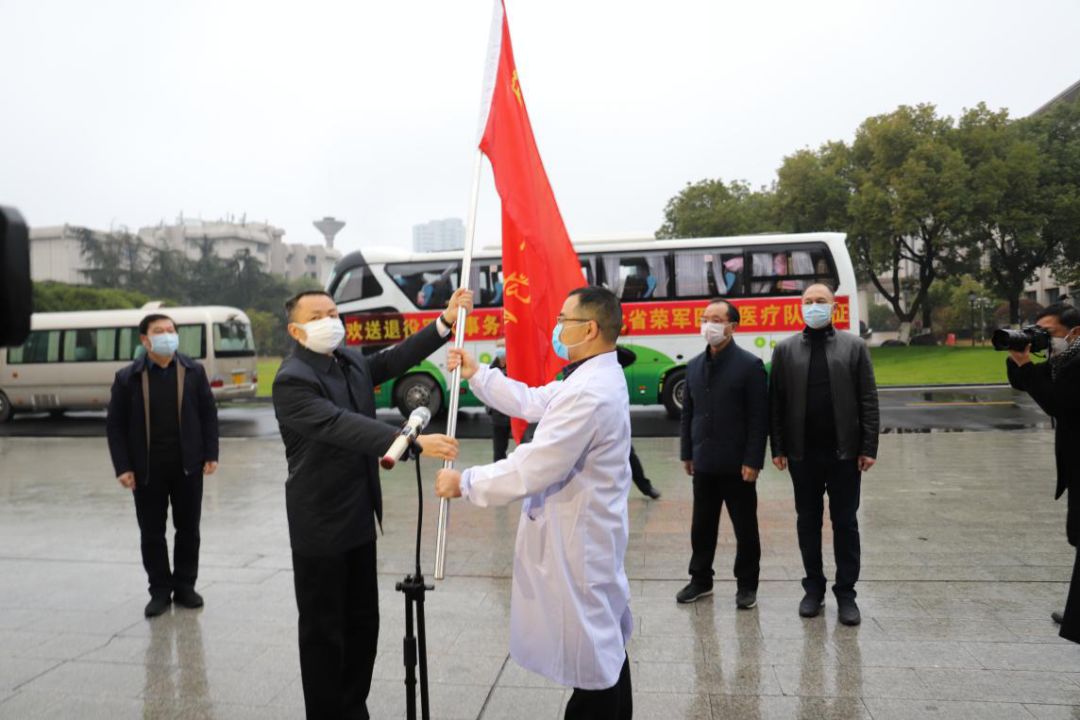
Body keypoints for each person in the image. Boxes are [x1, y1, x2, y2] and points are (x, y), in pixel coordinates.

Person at [436, 286, 633, 720]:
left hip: (580, 542)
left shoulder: (589, 391)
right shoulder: (589, 377)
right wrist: (478, 374)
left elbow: (534, 466)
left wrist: (465, 482)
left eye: (564, 320)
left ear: (590, 329)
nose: (557, 328)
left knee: (594, 658)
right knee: (603, 645)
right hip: (586, 533)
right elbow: (533, 401)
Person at [272, 288, 470, 719]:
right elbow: (337, 424)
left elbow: (393, 360)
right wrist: (409, 440)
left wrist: (444, 322)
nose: (330, 321)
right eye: (317, 316)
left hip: (359, 517)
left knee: (363, 625)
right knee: (325, 634)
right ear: (296, 330)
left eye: (333, 313)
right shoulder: (292, 379)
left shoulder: (348, 361)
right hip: (319, 525)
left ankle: (353, 707)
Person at [769, 283, 879, 626]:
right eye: (808, 301)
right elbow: (776, 403)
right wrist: (778, 447)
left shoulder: (853, 346)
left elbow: (868, 399)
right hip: (802, 455)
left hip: (845, 454)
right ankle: (813, 589)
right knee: (808, 522)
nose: (814, 306)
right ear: (800, 306)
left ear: (834, 307)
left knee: (845, 523)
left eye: (820, 301)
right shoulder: (785, 350)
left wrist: (868, 447)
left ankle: (846, 593)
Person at [106, 313, 219, 619]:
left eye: (171, 330)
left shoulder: (193, 371)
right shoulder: (128, 377)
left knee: (188, 530)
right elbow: (115, 426)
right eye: (160, 331)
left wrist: (211, 453)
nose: (168, 335)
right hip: (147, 470)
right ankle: (159, 590)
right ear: (145, 340)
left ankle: (185, 586)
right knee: (152, 533)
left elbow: (208, 413)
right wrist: (123, 467)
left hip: (188, 467)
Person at [676, 299, 766, 609]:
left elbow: (758, 418)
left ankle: (747, 585)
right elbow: (688, 413)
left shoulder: (750, 366)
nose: (709, 325)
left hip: (738, 465)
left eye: (716, 319)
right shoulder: (693, 366)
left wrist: (753, 460)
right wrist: (687, 452)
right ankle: (700, 579)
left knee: (745, 528)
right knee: (702, 525)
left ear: (732, 326)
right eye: (705, 318)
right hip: (703, 462)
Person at [1006, 302, 1080, 643]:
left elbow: (1055, 402)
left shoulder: (1075, 363)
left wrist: (1025, 365)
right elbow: (1026, 383)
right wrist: (1019, 359)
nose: (1044, 339)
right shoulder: (1066, 359)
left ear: (1075, 331)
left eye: (1048, 332)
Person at [616, 346, 661, 499]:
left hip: (614, 420)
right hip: (591, 420)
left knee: (629, 454)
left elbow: (630, 356)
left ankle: (646, 487)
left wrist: (608, 346)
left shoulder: (611, 363)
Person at [488, 342, 513, 462]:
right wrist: (490, 410)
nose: (501, 350)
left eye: (503, 347)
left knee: (524, 444)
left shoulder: (514, 367)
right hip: (498, 416)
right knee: (499, 450)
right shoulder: (491, 369)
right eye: (499, 347)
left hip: (516, 414)